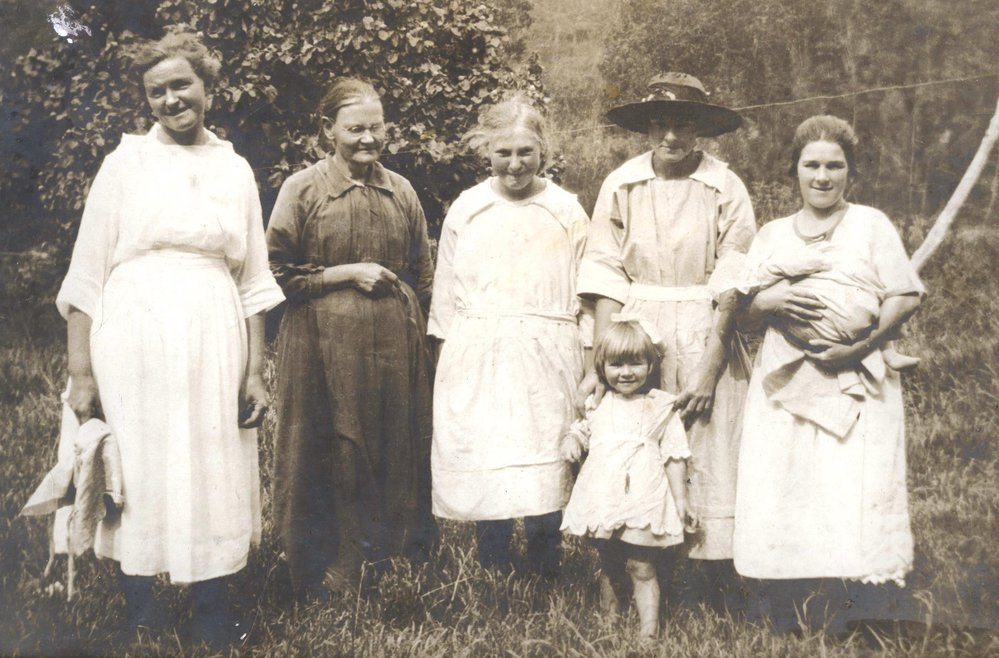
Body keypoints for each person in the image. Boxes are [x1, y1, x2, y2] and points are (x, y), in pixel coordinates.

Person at [55, 28, 284, 647]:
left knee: (212, 458)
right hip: (133, 330)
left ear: (209, 85)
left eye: (181, 84)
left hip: (213, 331)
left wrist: (255, 370)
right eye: (156, 91)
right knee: (141, 459)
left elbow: (254, 280)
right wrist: (82, 372)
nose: (170, 100)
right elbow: (86, 273)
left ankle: (212, 603)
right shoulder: (124, 162)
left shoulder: (234, 169)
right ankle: (140, 604)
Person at [732, 115, 925, 632]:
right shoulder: (772, 235)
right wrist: (769, 300)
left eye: (834, 166)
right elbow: (742, 311)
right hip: (784, 374)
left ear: (850, 172)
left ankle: (858, 607)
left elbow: (904, 294)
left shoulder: (871, 224)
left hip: (856, 375)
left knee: (852, 484)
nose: (823, 176)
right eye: (811, 164)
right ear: (792, 170)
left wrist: (860, 345)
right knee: (785, 481)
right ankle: (786, 602)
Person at [577, 72, 756, 608]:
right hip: (642, 330)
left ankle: (709, 575)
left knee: (706, 438)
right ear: (647, 127)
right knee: (634, 442)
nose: (671, 137)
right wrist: (604, 357)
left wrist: (711, 364)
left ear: (700, 130)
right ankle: (635, 564)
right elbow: (606, 270)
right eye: (661, 124)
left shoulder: (724, 185)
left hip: (705, 324)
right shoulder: (623, 183)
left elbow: (734, 277)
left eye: (683, 125)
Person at [266, 77, 438, 600]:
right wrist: (345, 274)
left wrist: (424, 343)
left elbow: (424, 275)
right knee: (330, 446)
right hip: (321, 344)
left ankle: (388, 560)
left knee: (392, 441)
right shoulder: (303, 188)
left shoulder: (400, 189)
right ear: (328, 130)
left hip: (392, 343)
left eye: (375, 126)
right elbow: (275, 273)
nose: (368, 138)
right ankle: (325, 565)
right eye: (354, 128)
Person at [428, 96, 590, 578]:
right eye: (504, 153)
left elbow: (588, 291)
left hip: (548, 352)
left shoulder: (566, 210)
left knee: (544, 454)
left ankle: (545, 566)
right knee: (488, 450)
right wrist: (446, 363)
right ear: (487, 152)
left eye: (526, 152)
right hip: (479, 351)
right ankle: (494, 565)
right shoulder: (469, 208)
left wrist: (587, 360)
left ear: (544, 150)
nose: (515, 164)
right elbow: (445, 296)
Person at [561, 318, 691, 638]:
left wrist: (682, 500)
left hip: (642, 495)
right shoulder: (599, 405)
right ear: (602, 367)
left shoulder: (660, 405)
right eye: (616, 364)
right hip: (605, 494)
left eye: (636, 363)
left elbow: (674, 455)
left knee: (641, 566)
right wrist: (573, 442)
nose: (626, 372)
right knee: (608, 562)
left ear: (650, 364)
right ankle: (610, 619)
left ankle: (648, 632)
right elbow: (582, 431)